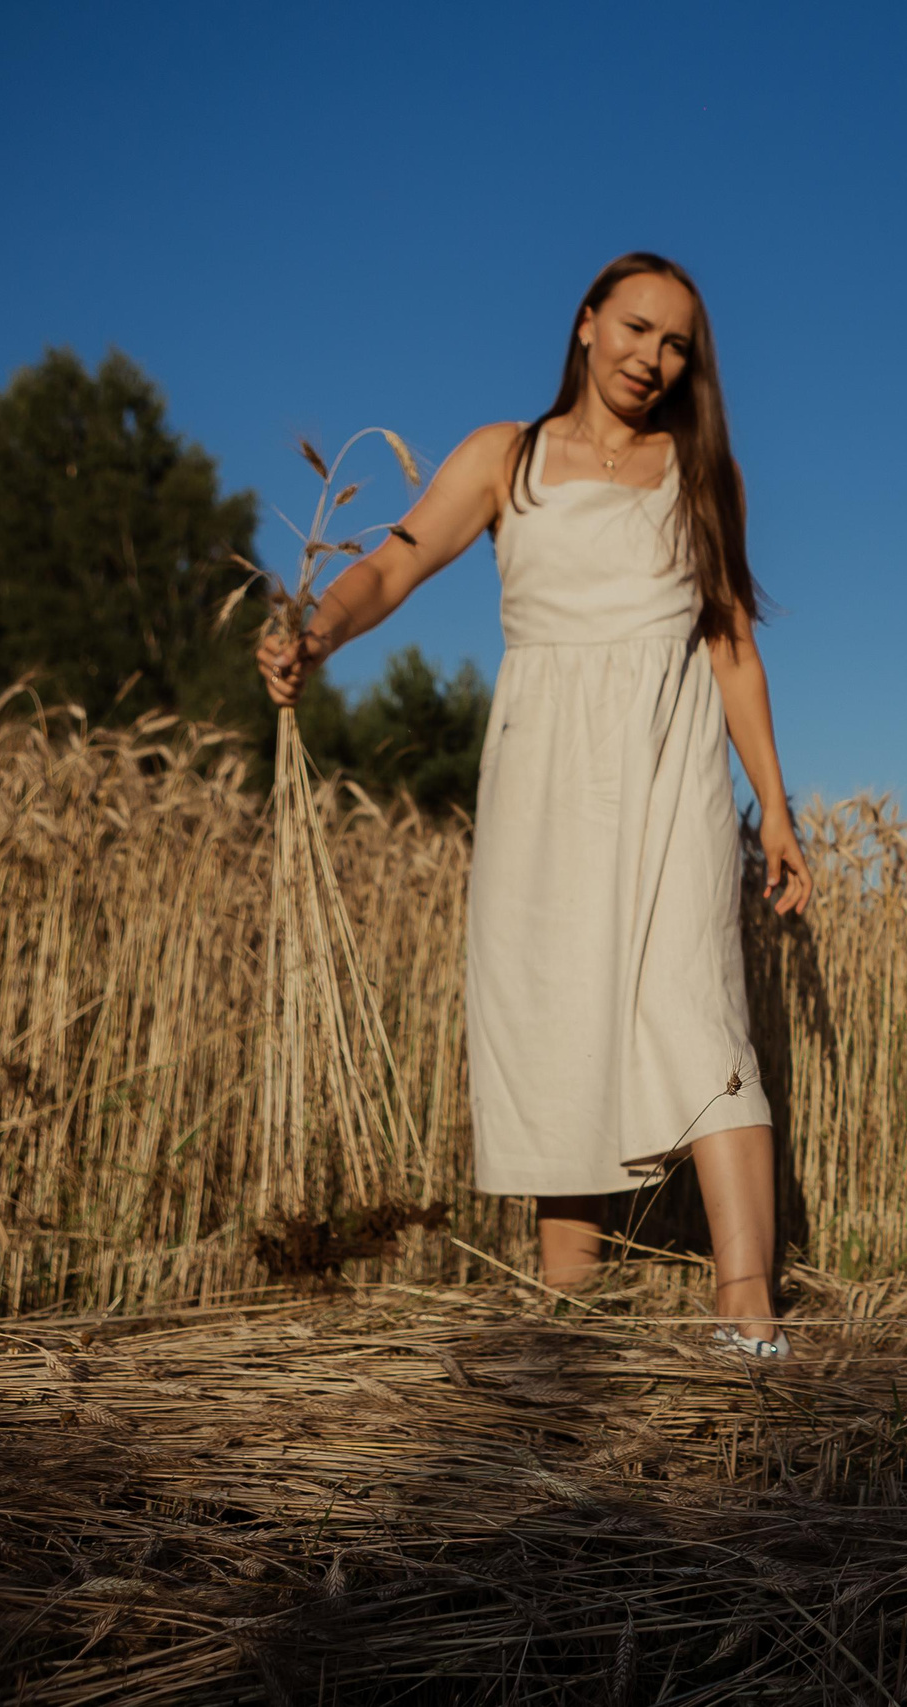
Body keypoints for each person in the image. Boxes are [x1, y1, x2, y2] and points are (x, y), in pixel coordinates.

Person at [256, 252, 809, 1356]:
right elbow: (394, 564)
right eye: (636, 328)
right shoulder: (502, 458)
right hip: (541, 772)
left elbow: (732, 650)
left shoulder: (704, 474)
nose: (652, 358)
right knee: (557, 1013)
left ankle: (746, 1306)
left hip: (670, 767)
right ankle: (568, 1319)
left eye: (677, 345)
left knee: (699, 1008)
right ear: (586, 322)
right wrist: (315, 635)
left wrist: (778, 813)